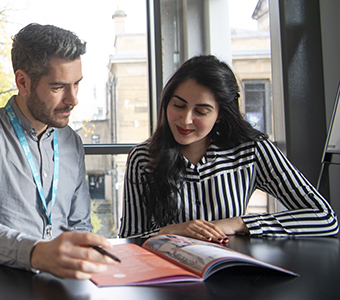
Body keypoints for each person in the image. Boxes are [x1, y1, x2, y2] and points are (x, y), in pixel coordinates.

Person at [0, 23, 117, 280]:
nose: (73, 99)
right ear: (23, 82)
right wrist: (38, 252)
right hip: (3, 282)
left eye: (77, 84)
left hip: (63, 283)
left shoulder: (72, 142)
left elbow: (80, 224)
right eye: (58, 87)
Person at [119, 55, 338, 241]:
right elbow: (130, 239)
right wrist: (169, 231)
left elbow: (325, 218)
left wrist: (239, 224)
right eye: (178, 105)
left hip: (232, 274)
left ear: (220, 114)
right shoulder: (143, 158)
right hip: (170, 279)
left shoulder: (252, 150)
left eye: (201, 111)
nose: (186, 120)